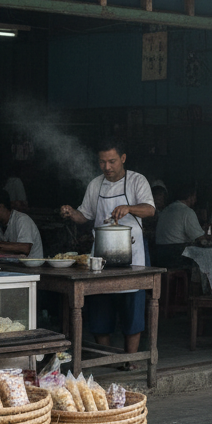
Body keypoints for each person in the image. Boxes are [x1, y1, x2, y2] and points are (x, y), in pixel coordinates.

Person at [59, 137, 155, 357]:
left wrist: (129, 208)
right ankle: (108, 357)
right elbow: (85, 216)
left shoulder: (137, 181)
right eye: (102, 162)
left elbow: (150, 210)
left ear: (122, 158)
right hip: (101, 255)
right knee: (100, 308)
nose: (107, 167)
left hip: (132, 253)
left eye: (111, 161)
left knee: (132, 308)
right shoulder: (95, 184)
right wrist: (72, 213)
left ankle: (129, 359)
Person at [0, 189, 44, 258]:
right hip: (13, 266)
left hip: (32, 267)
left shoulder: (22, 220)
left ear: (0, 207)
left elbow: (25, 248)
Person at [154, 184, 206, 268]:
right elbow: (199, 237)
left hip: (160, 256)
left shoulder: (166, 210)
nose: (196, 200)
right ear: (191, 197)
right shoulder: (187, 212)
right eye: (195, 197)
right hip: (177, 258)